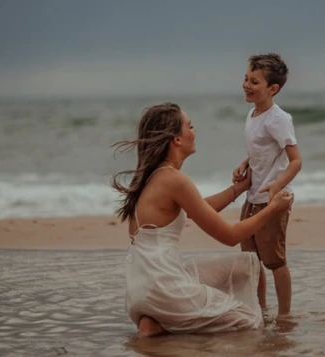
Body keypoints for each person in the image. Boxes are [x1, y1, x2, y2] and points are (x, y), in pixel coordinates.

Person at [111, 102, 293, 337]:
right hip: (164, 286)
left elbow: (198, 208)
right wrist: (273, 208)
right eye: (190, 126)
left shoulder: (153, 177)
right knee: (249, 323)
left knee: (250, 265)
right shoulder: (175, 180)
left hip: (142, 287)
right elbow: (230, 236)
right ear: (177, 139)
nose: (194, 132)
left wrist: (239, 188)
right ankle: (165, 324)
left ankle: (155, 323)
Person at [232, 53, 302, 318]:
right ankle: (260, 309)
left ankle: (284, 316)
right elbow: (262, 150)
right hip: (253, 196)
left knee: (274, 260)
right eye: (246, 79)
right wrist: (244, 164)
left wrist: (276, 187)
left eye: (255, 82)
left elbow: (296, 161)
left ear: (273, 89)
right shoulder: (252, 114)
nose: (247, 85)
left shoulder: (278, 118)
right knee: (251, 260)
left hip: (273, 199)